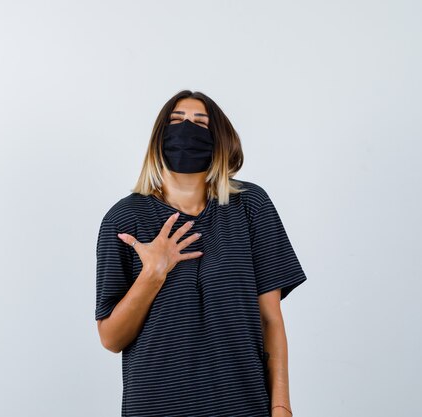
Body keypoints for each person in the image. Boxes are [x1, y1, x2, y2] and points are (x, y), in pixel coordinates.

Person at [94, 90, 308, 417]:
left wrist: (281, 405)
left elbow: (271, 320)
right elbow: (111, 338)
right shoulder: (124, 219)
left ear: (219, 138)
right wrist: (152, 274)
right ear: (159, 137)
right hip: (155, 405)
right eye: (176, 121)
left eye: (201, 122)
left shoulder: (250, 206)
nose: (188, 129)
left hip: (243, 404)